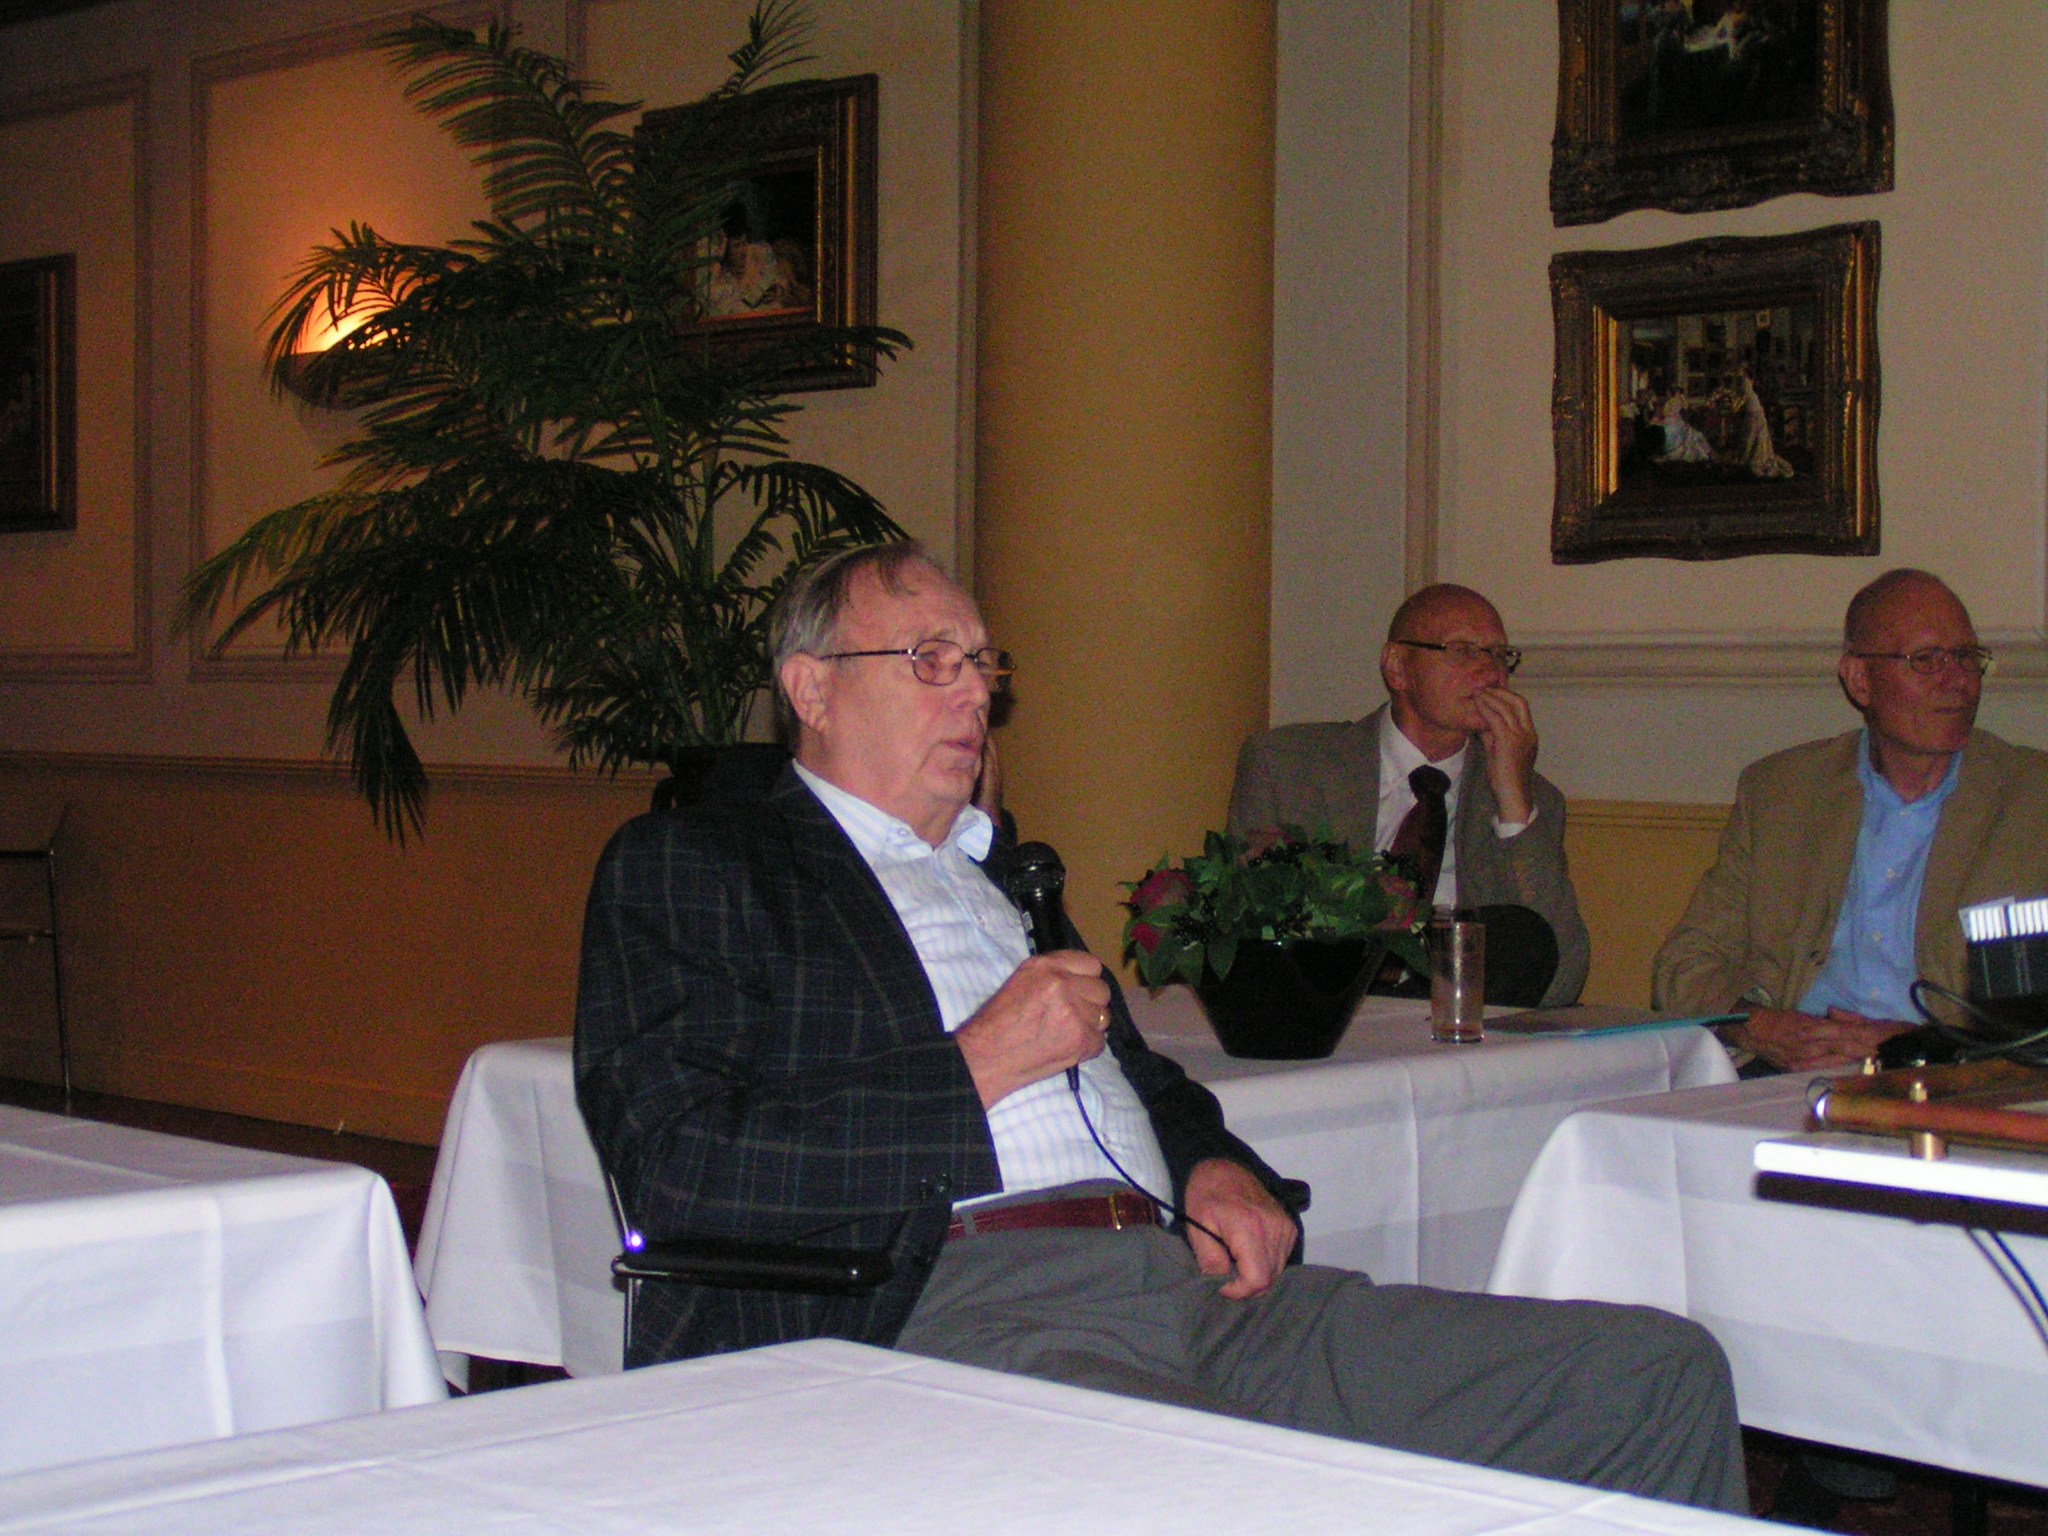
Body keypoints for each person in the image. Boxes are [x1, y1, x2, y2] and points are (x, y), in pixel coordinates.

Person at [576, 544, 1745, 1511]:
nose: (976, 693)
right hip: (954, 1303)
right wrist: (974, 1066)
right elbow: (680, 1164)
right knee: (1253, 1495)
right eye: (931, 661)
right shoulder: (704, 864)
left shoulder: (1005, 877)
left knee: (1650, 1376)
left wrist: (1209, 1167)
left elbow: (1143, 1085)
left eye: (982, 664)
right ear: (811, 688)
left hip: (1192, 1291)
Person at [1653, 568, 2048, 1073]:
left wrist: (1926, 1044)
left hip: (1951, 1076)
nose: (1958, 681)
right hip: (1786, 1069)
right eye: (1926, 660)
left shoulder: (2031, 800)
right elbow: (1684, 964)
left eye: (1967, 657)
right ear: (1860, 680)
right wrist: (1758, 1025)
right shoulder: (1782, 793)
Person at [1227, 584, 1590, 1007]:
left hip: (1452, 1015)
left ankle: (1422, 993)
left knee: (1518, 936)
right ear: (1397, 667)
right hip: (1323, 1003)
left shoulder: (1532, 799)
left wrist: (1513, 802)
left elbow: (1560, 979)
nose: (1490, 672)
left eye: (1499, 654)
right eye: (1463, 651)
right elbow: (1242, 932)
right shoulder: (1287, 765)